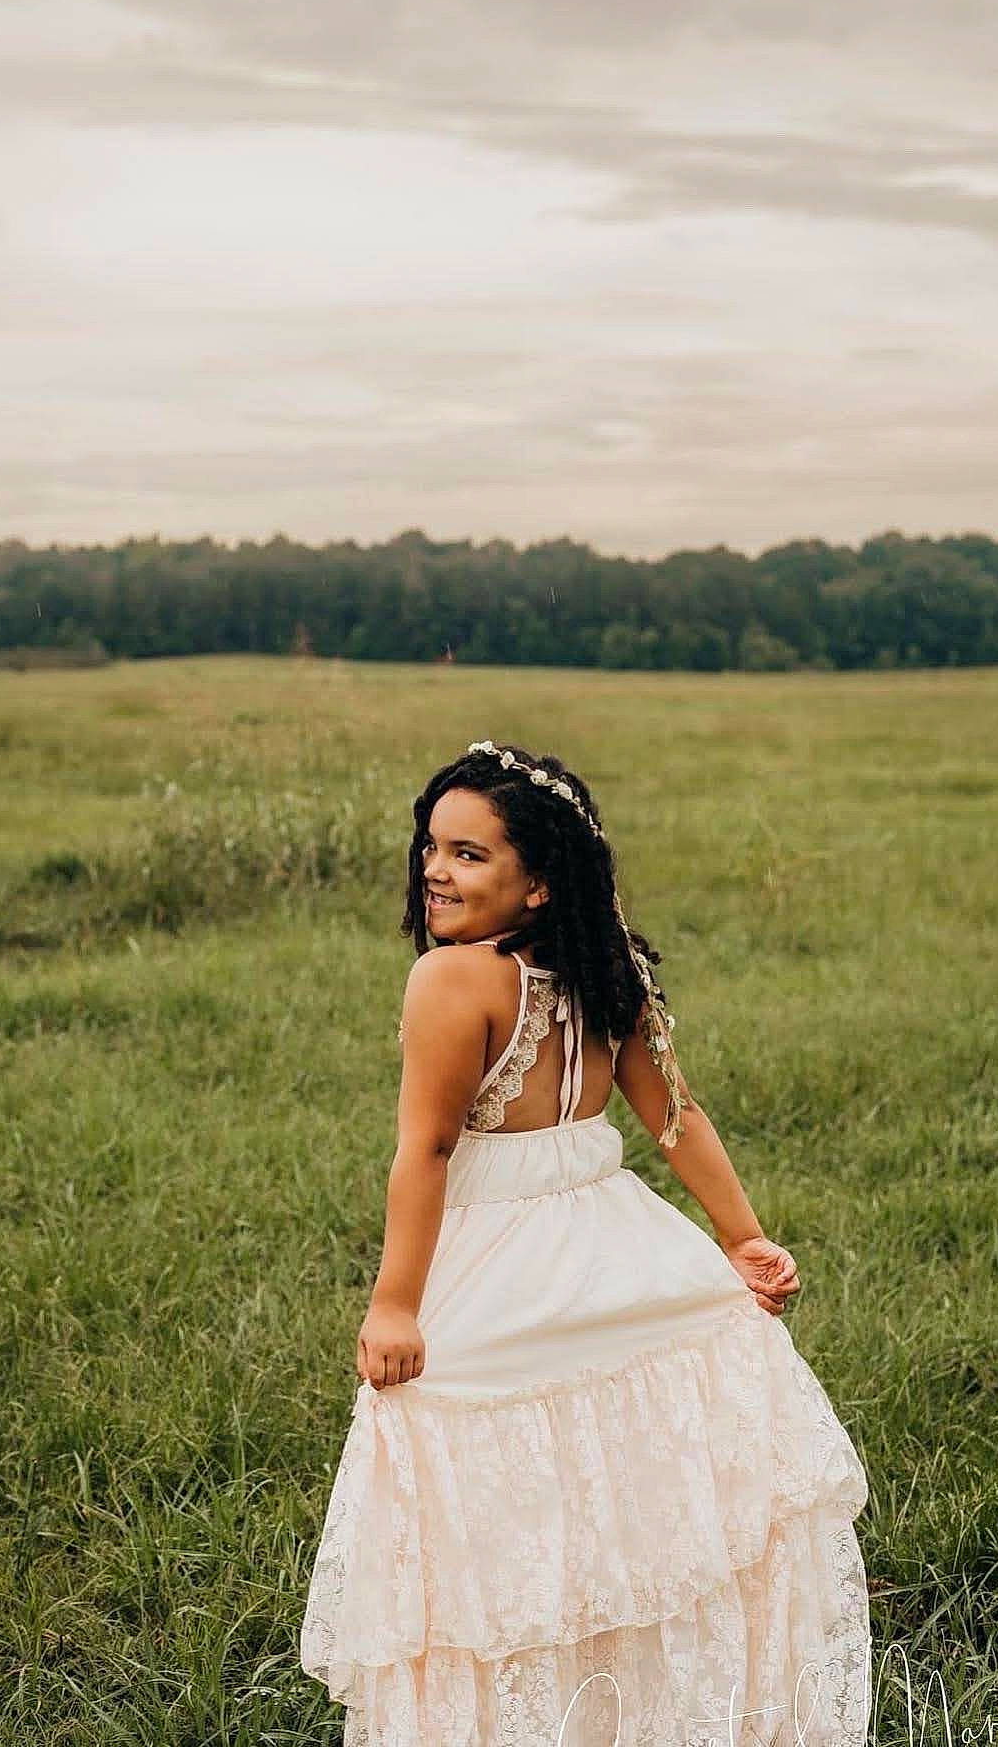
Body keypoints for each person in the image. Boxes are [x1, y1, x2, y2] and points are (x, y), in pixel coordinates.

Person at [300, 742, 872, 1746]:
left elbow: (430, 1148)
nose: (437, 869)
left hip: (508, 1261)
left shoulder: (451, 980)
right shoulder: (608, 966)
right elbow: (676, 1122)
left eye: (471, 854)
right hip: (621, 1245)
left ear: (540, 882)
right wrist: (734, 1239)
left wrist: (394, 1303)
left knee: (490, 1498)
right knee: (614, 1493)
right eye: (431, 846)